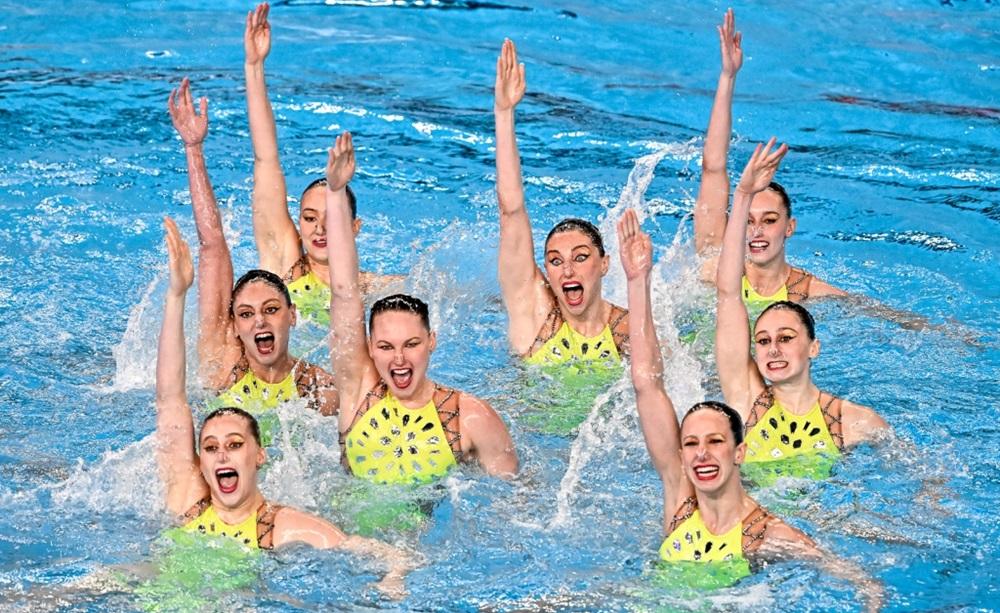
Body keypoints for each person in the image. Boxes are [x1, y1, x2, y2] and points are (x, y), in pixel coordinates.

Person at [618, 209, 882, 610]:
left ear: (739, 452)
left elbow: (860, 582)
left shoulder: (769, 534)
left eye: (713, 441)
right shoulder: (680, 504)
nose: (701, 453)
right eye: (691, 444)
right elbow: (647, 383)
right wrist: (638, 282)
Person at [156, 217, 411, 596]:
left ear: (260, 455)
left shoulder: (278, 524)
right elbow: (169, 398)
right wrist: (176, 294)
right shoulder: (188, 501)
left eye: (234, 445)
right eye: (211, 448)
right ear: (200, 460)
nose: (222, 456)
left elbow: (378, 550)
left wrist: (393, 574)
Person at [325, 132, 518, 485]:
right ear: (369, 349)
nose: (398, 359)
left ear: (432, 341)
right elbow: (343, 292)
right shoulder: (357, 389)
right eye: (385, 347)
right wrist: (336, 195)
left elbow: (517, 503)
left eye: (410, 344)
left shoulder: (470, 419)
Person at [167, 77, 337, 429]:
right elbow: (212, 244)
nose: (259, 321)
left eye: (271, 310)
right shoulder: (223, 361)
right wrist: (193, 149)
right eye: (245, 314)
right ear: (234, 325)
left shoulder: (316, 387)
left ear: (292, 315)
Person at [715, 140, 889, 479]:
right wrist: (742, 193)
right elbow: (728, 294)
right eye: (762, 341)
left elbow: (920, 471)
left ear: (814, 348)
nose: (773, 348)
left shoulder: (853, 421)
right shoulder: (745, 401)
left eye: (785, 337)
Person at [244, 3, 399, 327]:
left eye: (332, 219)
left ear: (354, 228)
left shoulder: (371, 289)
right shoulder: (284, 266)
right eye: (309, 217)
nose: (320, 228)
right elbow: (266, 160)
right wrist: (254, 67)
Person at [693, 9, 844, 317]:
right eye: (747, 220)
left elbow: (880, 313)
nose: (756, 231)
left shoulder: (808, 292)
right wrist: (727, 77)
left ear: (790, 227)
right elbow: (713, 167)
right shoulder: (715, 265)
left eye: (769, 220)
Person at [494, 39, 628, 369]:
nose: (567, 270)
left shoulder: (626, 331)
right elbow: (511, 211)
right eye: (555, 261)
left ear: (605, 263)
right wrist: (503, 112)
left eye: (580, 257)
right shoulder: (534, 314)